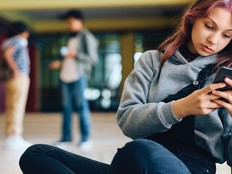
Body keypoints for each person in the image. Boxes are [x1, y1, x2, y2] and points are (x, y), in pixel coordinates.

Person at [19, 0, 232, 173]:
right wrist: (180, 108)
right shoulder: (152, 61)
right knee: (37, 154)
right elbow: (128, 122)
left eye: (226, 35)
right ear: (193, 19)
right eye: (209, 26)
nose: (213, 40)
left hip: (188, 168)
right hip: (137, 162)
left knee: (141, 151)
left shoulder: (225, 78)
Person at [49, 9, 99, 150]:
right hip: (65, 76)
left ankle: (86, 138)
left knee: (82, 107)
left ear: (79, 21)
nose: (68, 25)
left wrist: (75, 55)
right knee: (66, 108)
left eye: (71, 22)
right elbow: (66, 57)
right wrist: (59, 63)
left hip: (79, 77)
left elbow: (92, 58)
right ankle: (66, 137)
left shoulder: (87, 36)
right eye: (67, 22)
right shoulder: (69, 37)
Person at [2, 21, 32, 150]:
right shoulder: (20, 41)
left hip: (10, 79)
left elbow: (6, 52)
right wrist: (16, 69)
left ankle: (11, 136)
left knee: (11, 106)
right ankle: (15, 136)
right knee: (17, 106)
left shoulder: (7, 42)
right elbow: (8, 54)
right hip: (19, 77)